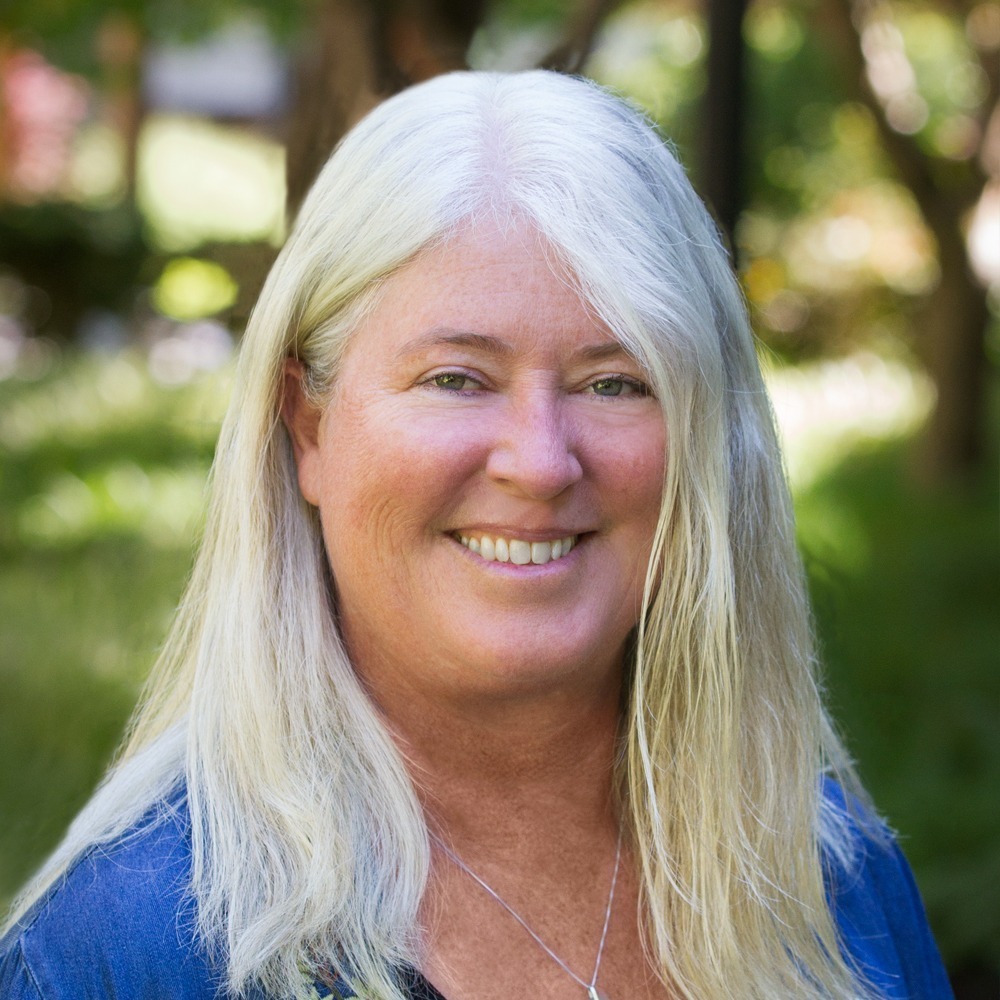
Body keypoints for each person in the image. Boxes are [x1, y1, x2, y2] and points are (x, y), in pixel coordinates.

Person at [0, 70, 952, 1000]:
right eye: (458, 377)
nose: (540, 463)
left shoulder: (833, 888)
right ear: (310, 429)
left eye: (615, 382)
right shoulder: (124, 955)